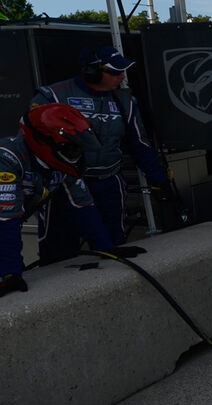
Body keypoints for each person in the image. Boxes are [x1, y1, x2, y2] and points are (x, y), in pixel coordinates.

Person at [31, 45, 171, 264]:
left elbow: (140, 143)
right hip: (64, 186)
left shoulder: (125, 100)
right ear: (91, 72)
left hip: (109, 182)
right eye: (115, 72)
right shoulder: (52, 96)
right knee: (57, 254)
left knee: (113, 247)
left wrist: (160, 181)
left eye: (123, 70)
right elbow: (32, 142)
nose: (122, 76)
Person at [1, 103, 143, 297]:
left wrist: (107, 248)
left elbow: (83, 205)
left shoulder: (61, 162)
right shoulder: (7, 158)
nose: (76, 154)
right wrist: (10, 272)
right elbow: (6, 220)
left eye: (79, 147)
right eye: (71, 148)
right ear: (43, 142)